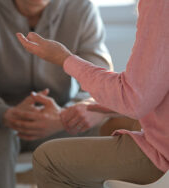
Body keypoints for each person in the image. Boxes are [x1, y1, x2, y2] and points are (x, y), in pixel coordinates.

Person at [0, 0, 113, 187]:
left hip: (60, 116)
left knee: (106, 126)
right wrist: (5, 114)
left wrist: (65, 115)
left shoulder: (81, 7)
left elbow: (101, 81)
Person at [17, 0, 169, 186]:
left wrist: (65, 59)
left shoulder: (158, 4)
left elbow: (135, 97)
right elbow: (149, 89)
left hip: (161, 149)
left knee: (47, 159)